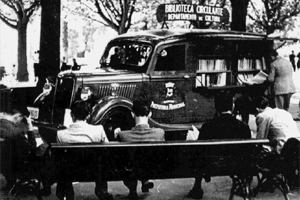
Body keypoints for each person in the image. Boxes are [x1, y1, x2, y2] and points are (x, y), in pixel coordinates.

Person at [188, 91, 252, 199]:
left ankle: (197, 187)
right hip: (236, 165)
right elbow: (247, 150)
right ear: (232, 107)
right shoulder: (243, 127)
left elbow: (200, 150)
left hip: (211, 166)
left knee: (197, 154)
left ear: (216, 108)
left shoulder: (207, 127)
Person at [56, 100, 112, 200]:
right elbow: (107, 150)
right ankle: (102, 191)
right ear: (87, 116)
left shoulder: (61, 134)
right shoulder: (98, 130)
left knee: (63, 164)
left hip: (70, 172)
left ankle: (67, 194)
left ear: (71, 115)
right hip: (94, 171)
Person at [117, 100, 165, 199]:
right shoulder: (159, 133)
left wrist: (117, 134)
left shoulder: (123, 135)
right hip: (153, 170)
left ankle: (133, 190)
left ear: (132, 114)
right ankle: (145, 180)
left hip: (131, 171)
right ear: (150, 114)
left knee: (129, 163)